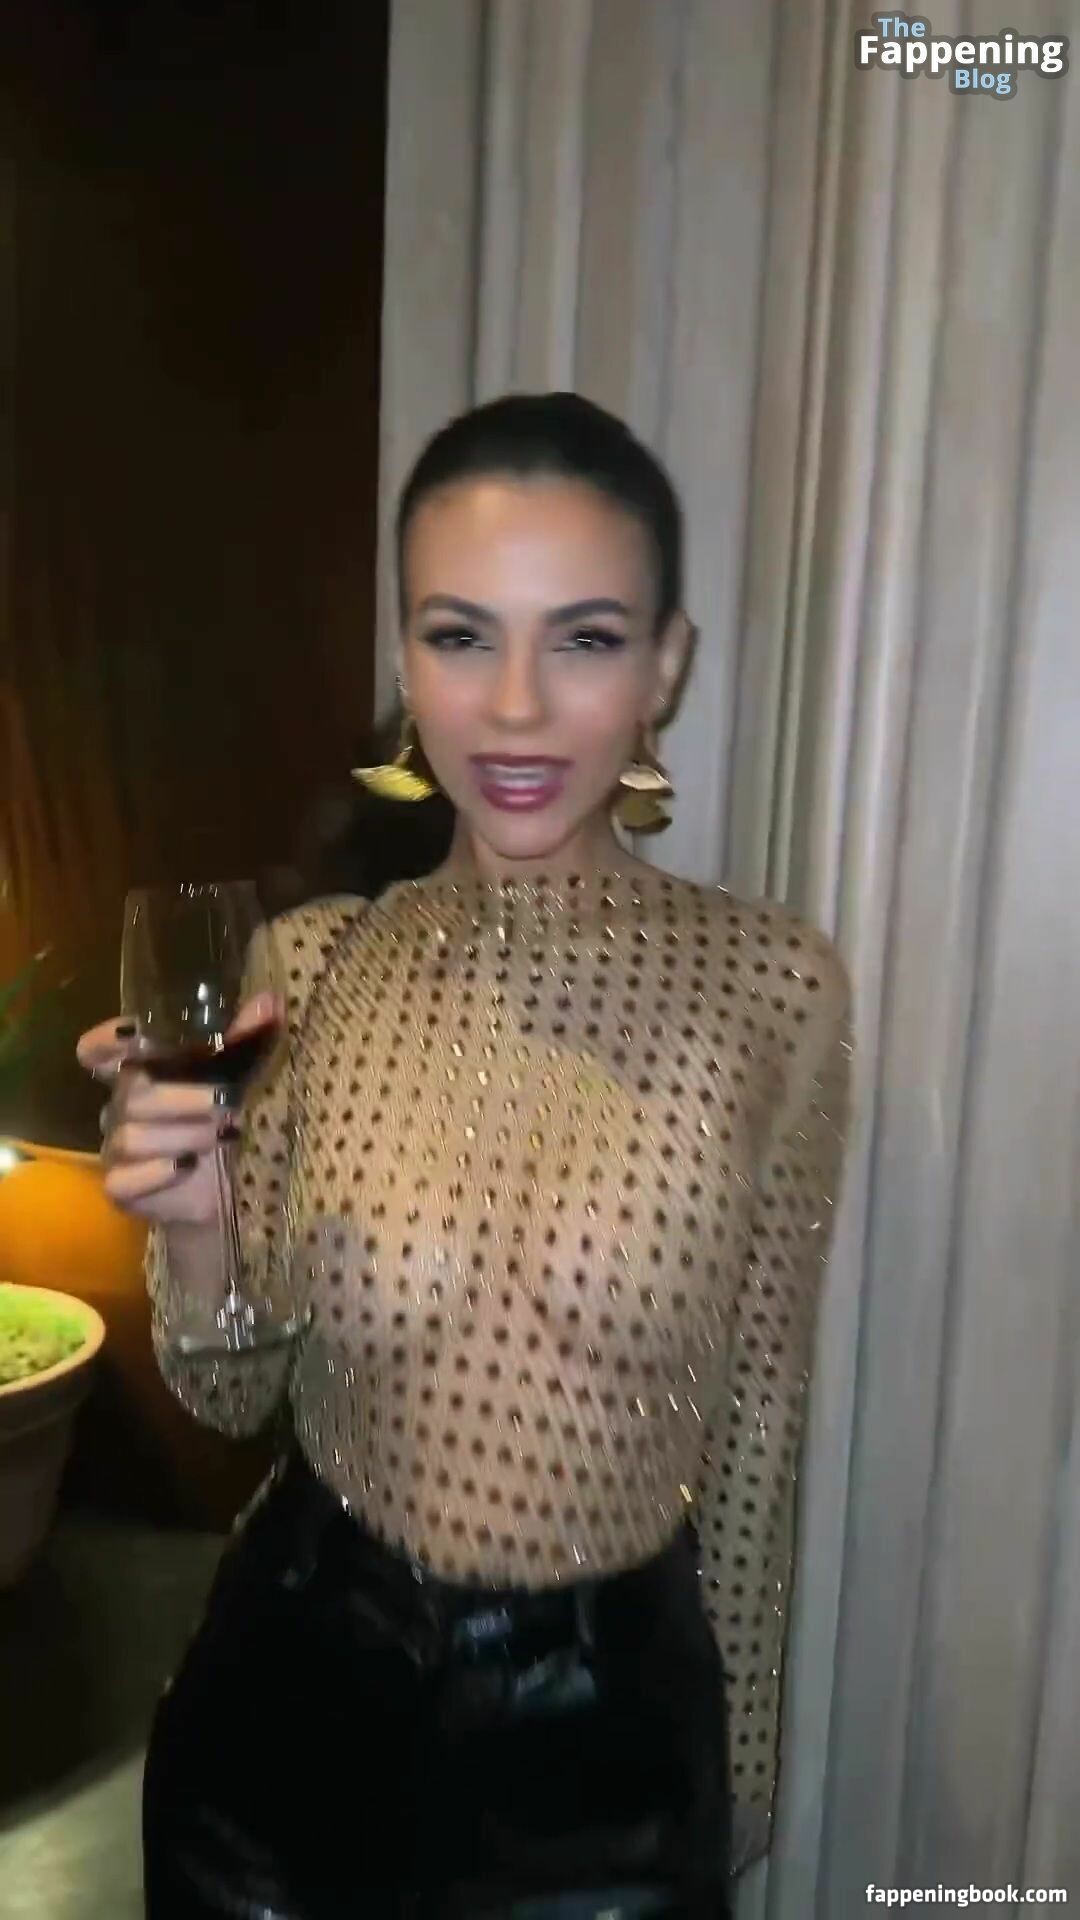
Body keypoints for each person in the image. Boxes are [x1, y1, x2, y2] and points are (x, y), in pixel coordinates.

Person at [79, 393, 851, 1918]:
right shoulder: (313, 968)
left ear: (666, 667)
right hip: (286, 1713)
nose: (513, 706)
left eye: (584, 639)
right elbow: (229, 1394)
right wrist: (194, 1216)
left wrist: (740, 1772)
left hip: (602, 1752)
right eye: (459, 635)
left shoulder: (775, 991)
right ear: (408, 656)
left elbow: (759, 1424)